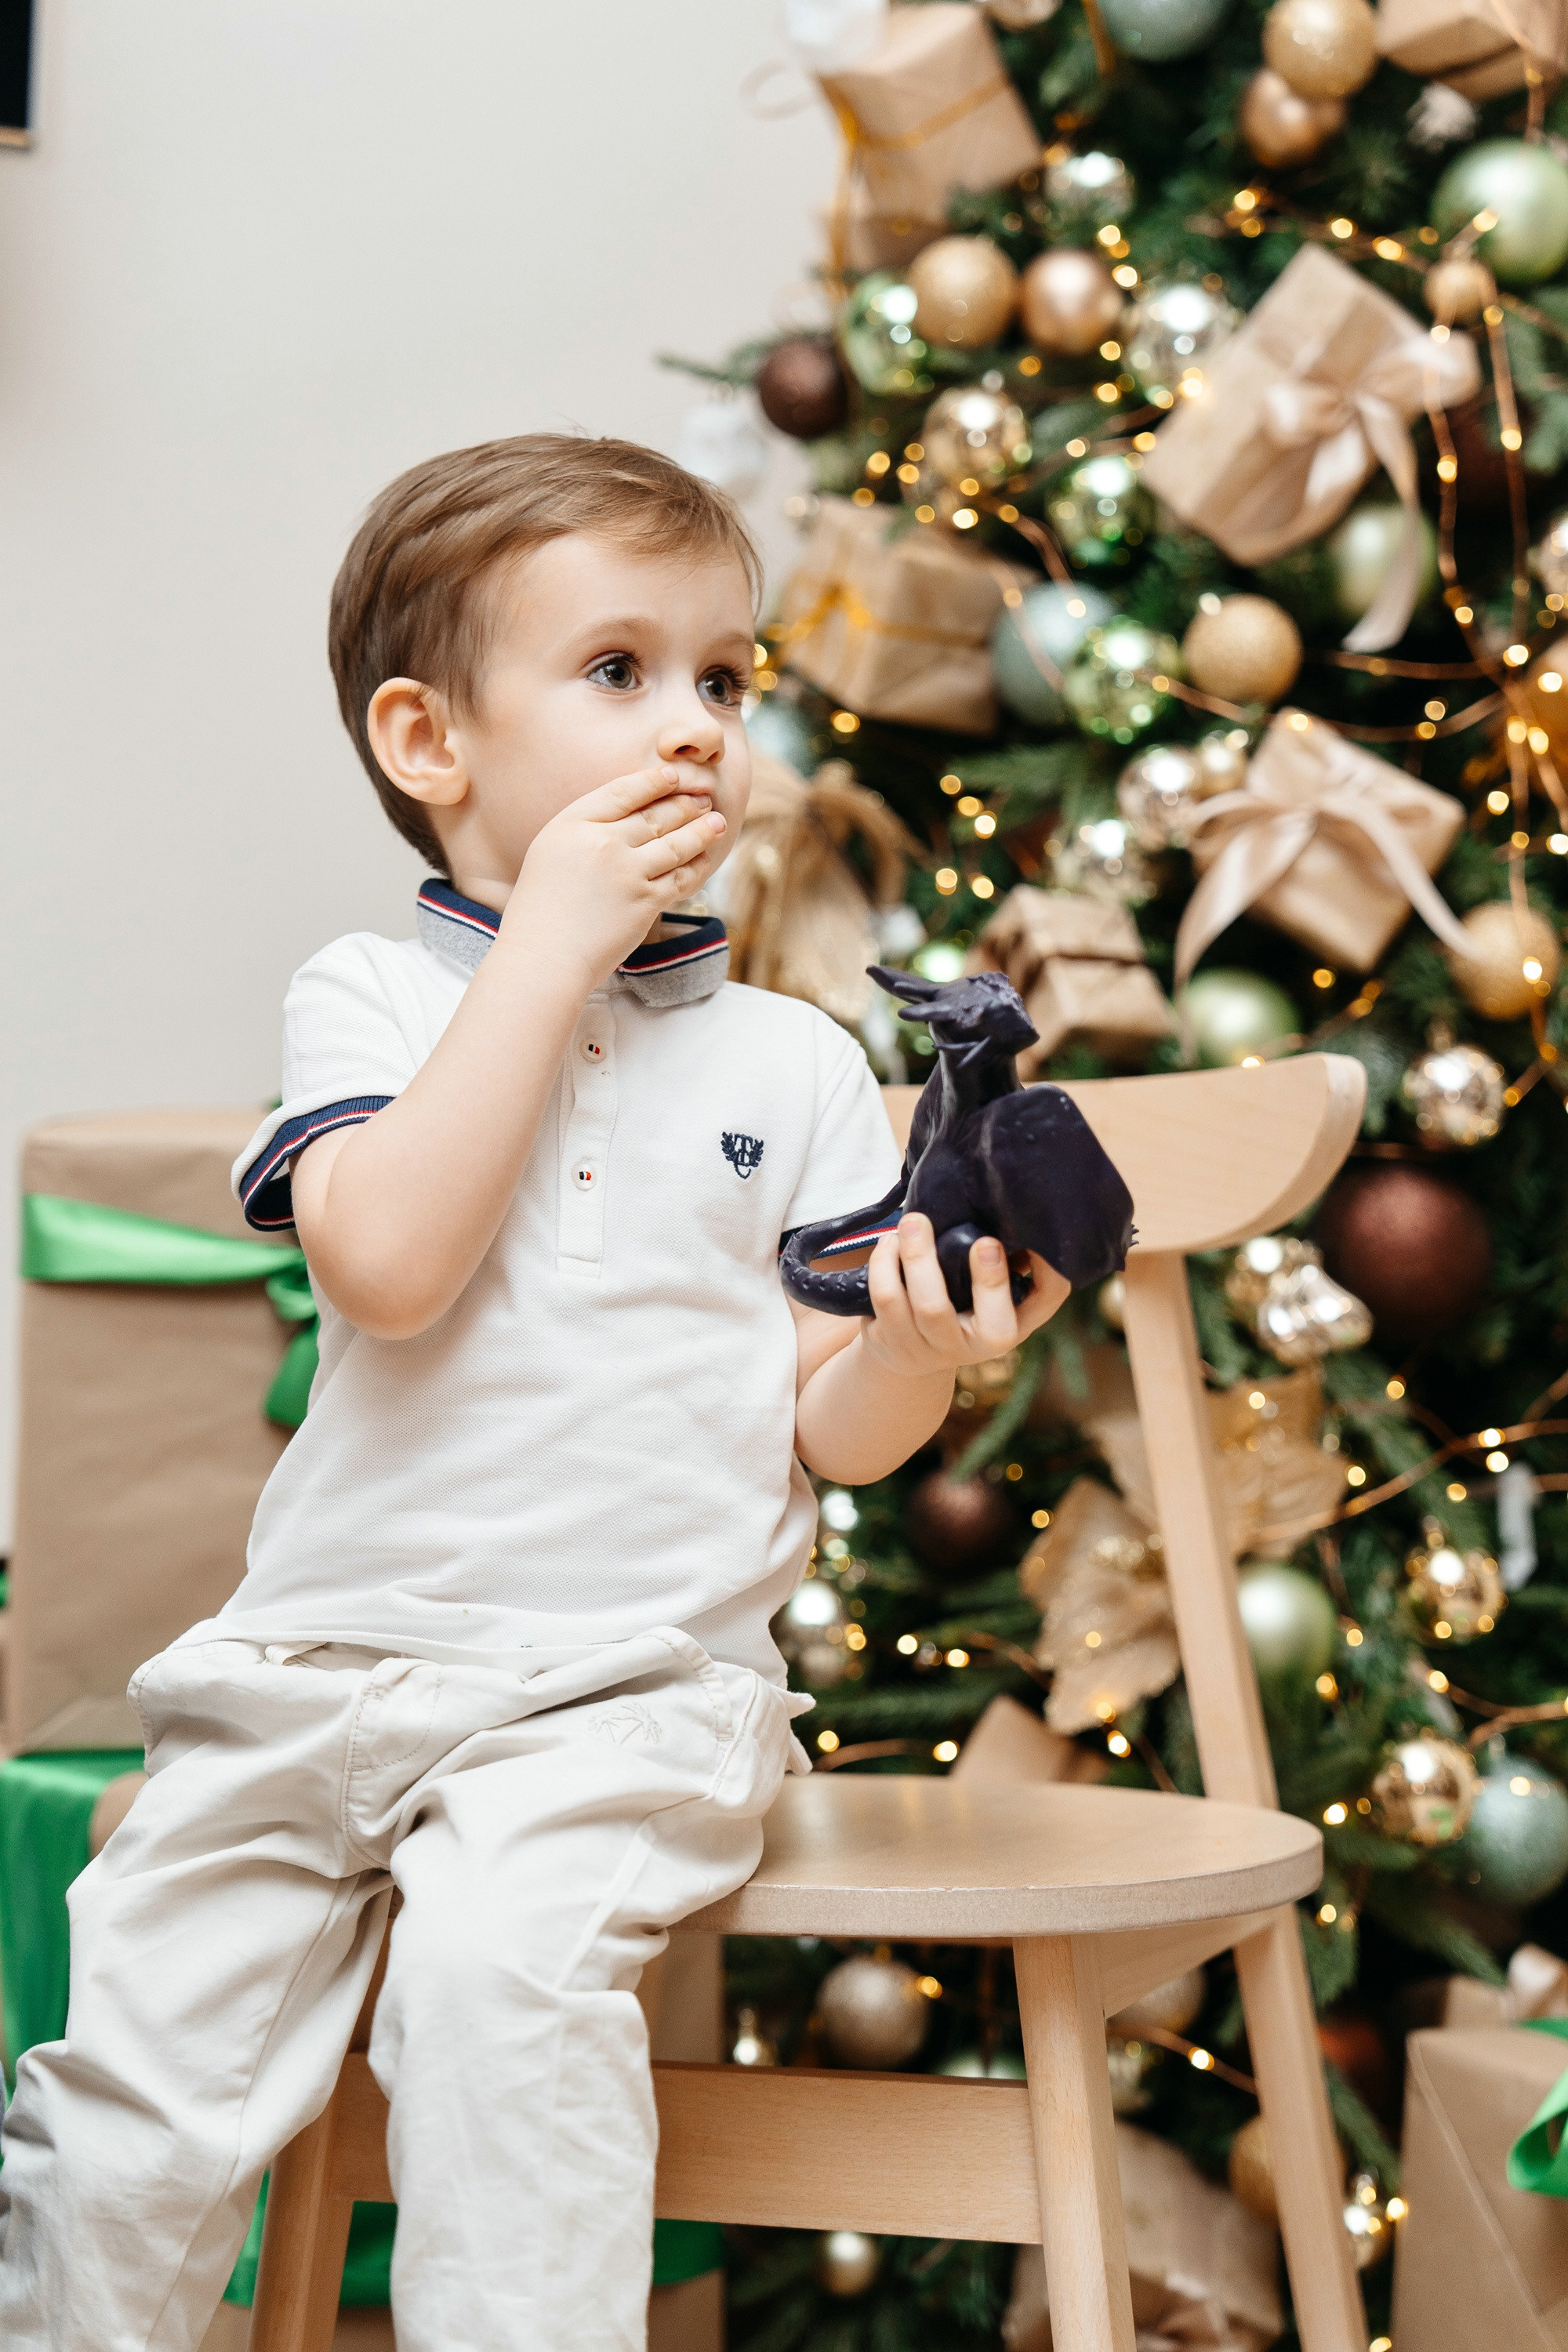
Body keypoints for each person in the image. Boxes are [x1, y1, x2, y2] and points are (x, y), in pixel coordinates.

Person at [0, 434, 1068, 2352]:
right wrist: (552, 951)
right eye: (618, 673)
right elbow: (388, 1267)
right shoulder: (368, 999)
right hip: (314, 1667)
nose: (695, 732)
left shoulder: (798, 1060)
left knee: (502, 2009)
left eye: (725, 682)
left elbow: (827, 1426)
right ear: (430, 742)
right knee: (128, 2107)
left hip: (630, 1686)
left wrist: (911, 1344)